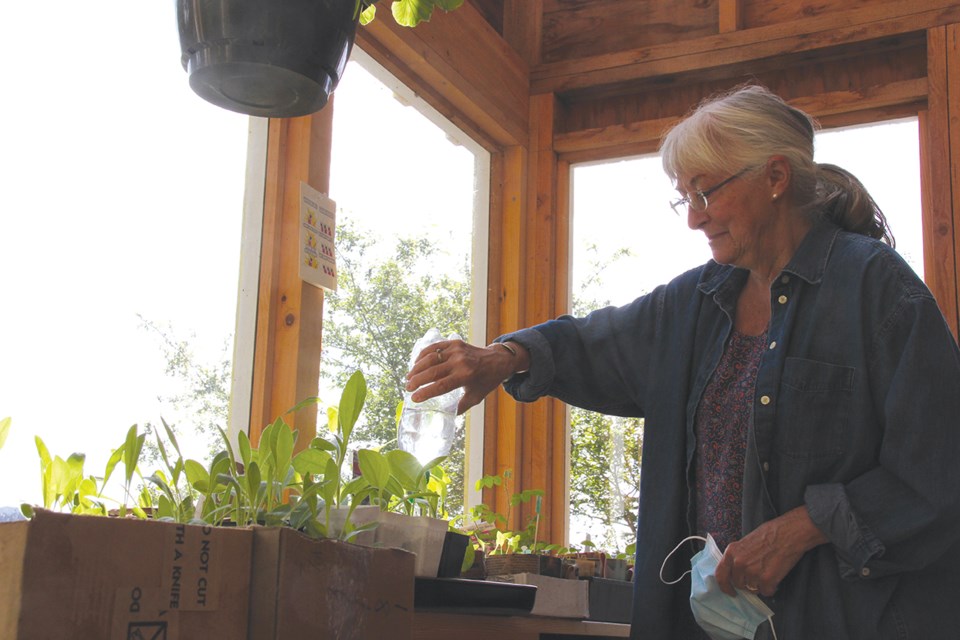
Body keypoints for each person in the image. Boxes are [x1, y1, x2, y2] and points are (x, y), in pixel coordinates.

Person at [404, 84, 960, 639]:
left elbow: (939, 469)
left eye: (705, 193)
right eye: (684, 198)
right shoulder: (692, 304)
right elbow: (595, 341)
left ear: (774, 177)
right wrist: (503, 357)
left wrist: (803, 527)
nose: (694, 220)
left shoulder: (877, 290)